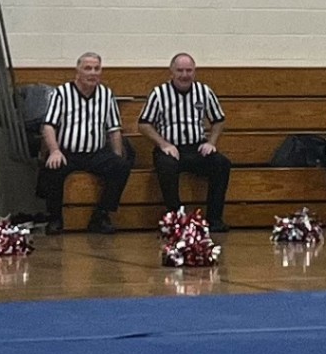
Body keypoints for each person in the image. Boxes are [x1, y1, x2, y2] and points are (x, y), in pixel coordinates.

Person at [33, 53, 131, 229]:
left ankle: (101, 215)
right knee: (54, 167)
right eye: (88, 68)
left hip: (96, 153)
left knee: (120, 166)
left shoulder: (106, 95)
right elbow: (48, 126)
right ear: (77, 71)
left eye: (96, 68)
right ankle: (55, 218)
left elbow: (114, 129)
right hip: (67, 152)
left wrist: (116, 155)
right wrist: (54, 150)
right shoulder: (61, 94)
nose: (92, 73)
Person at [141, 54, 231, 228]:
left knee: (222, 164)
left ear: (194, 72)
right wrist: (163, 144)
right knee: (166, 166)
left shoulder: (204, 92)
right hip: (169, 148)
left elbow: (219, 120)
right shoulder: (159, 94)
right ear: (171, 72)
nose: (184, 74)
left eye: (188, 70)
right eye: (180, 70)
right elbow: (144, 124)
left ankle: (215, 218)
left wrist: (211, 142)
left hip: (196, 147)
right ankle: (176, 218)